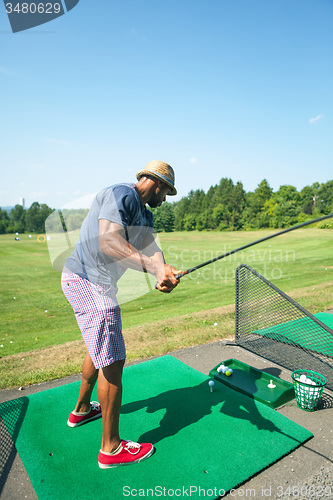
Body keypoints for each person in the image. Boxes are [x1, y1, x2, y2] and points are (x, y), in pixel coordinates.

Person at [61, 160, 182, 468]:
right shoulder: (123, 194)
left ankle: (83, 409)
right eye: (166, 192)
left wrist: (161, 271)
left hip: (91, 282)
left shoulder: (144, 212)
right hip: (89, 281)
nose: (165, 199)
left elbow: (152, 249)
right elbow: (109, 241)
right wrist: (156, 268)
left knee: (98, 347)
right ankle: (111, 449)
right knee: (113, 360)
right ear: (156, 183)